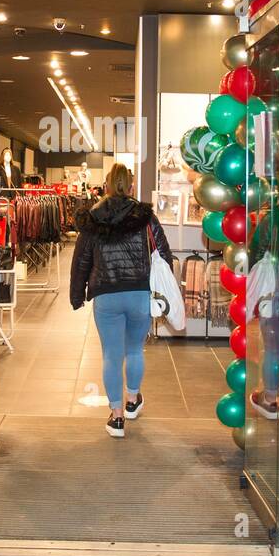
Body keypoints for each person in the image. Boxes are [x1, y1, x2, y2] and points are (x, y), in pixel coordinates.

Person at [69, 163, 173, 438]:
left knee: (111, 356)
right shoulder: (144, 215)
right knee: (135, 350)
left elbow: (82, 259)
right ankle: (132, 401)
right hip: (138, 293)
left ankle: (116, 418)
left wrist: (77, 295)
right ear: (130, 185)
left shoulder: (93, 217)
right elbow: (163, 251)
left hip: (106, 295)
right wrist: (165, 288)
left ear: (105, 185)